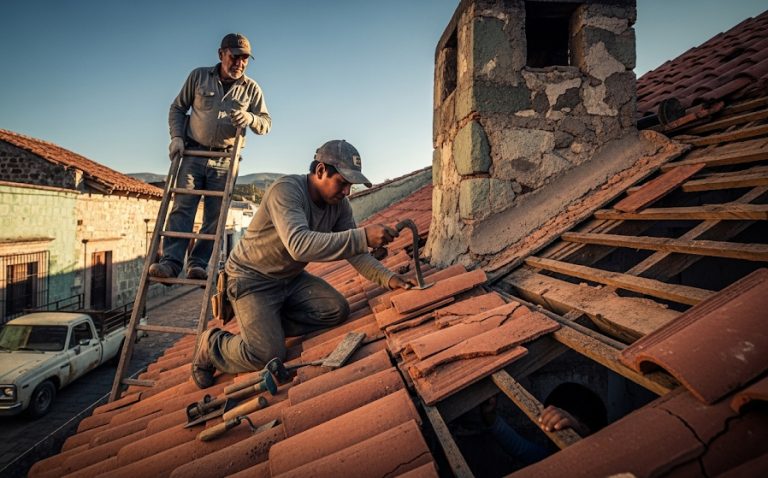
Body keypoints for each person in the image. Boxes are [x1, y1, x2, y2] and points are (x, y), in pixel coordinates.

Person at [191, 139, 418, 388]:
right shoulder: (286, 191)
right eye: (342, 183)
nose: (346, 192)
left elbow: (356, 252)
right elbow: (299, 245)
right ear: (320, 171)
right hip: (250, 279)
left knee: (336, 310)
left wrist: (389, 278)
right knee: (268, 355)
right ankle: (211, 345)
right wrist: (363, 236)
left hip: (289, 279)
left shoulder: (339, 206)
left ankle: (269, 326)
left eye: (350, 186)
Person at [150, 33, 271, 281]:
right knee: (183, 207)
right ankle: (171, 263)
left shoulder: (251, 89)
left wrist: (250, 118)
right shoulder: (199, 76)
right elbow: (177, 108)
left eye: (245, 59)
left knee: (215, 215)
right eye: (234, 57)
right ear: (221, 54)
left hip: (226, 160)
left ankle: (198, 265)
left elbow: (266, 123)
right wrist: (176, 137)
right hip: (193, 153)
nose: (239, 63)